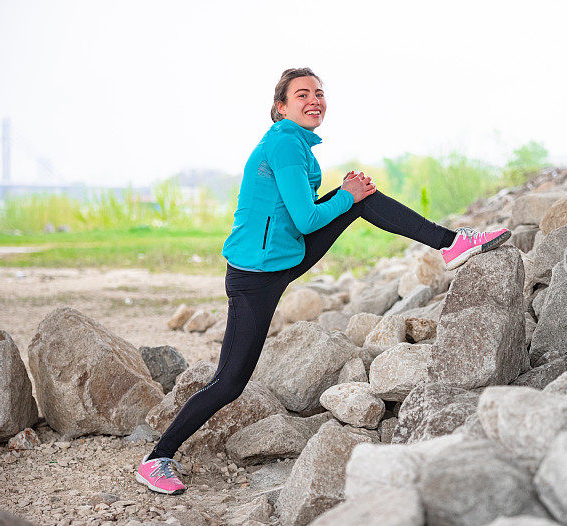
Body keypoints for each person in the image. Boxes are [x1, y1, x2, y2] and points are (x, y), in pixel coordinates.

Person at [135, 67, 511, 494]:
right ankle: (157, 459)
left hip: (284, 256)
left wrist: (350, 195)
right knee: (230, 381)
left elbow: (296, 212)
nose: (314, 100)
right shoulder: (284, 145)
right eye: (302, 94)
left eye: (319, 93)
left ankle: (451, 244)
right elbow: (306, 217)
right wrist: (347, 194)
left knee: (361, 199)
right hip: (256, 277)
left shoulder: (296, 144)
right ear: (281, 107)